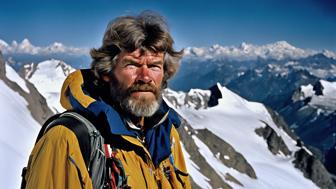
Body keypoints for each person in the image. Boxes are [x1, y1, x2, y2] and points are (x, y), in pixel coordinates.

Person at [23, 11, 191, 189]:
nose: (145, 77)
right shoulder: (68, 141)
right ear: (106, 73)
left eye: (154, 66)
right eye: (132, 64)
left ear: (165, 73)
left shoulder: (165, 135)